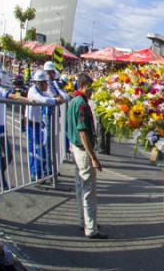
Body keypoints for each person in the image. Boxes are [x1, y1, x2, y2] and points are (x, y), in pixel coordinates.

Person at [66, 74, 108, 239]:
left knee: (80, 187)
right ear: (83, 85)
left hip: (76, 148)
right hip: (83, 151)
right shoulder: (82, 104)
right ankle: (91, 228)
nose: (93, 91)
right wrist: (93, 157)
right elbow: (82, 131)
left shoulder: (73, 101)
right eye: (91, 87)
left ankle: (82, 220)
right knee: (88, 190)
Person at [26, 70, 66, 179]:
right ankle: (36, 175)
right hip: (31, 124)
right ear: (40, 83)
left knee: (40, 151)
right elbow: (42, 100)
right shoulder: (33, 91)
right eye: (45, 83)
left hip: (38, 123)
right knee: (36, 151)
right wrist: (55, 101)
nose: (47, 85)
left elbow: (61, 97)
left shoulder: (42, 90)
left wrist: (58, 95)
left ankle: (39, 173)